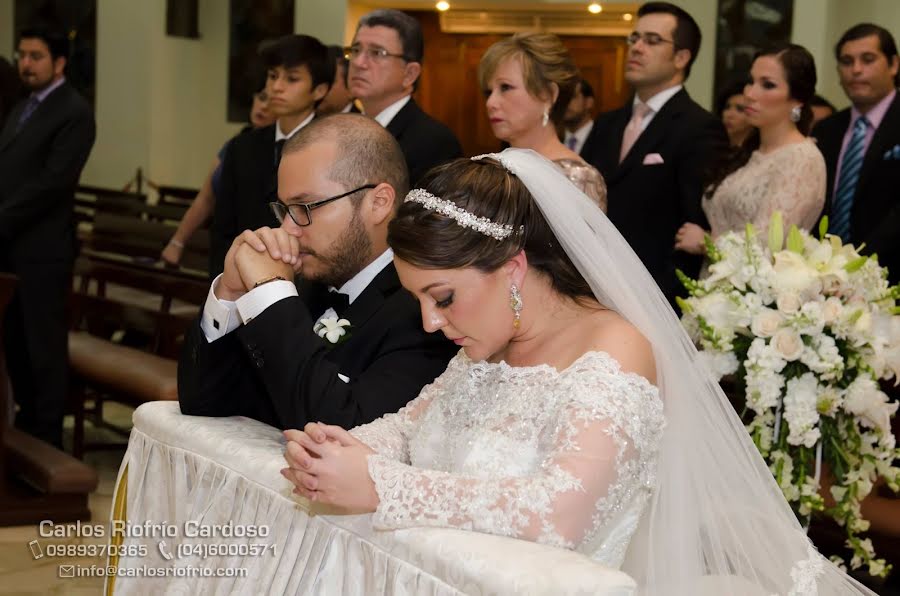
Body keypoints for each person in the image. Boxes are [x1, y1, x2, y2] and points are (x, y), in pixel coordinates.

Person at [279, 148, 875, 595]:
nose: (432, 323)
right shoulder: (483, 343)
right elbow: (410, 428)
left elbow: (558, 513)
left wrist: (381, 485)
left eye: (443, 297)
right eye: (420, 302)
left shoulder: (614, 352)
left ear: (513, 268)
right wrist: (344, 447)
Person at [178, 113, 456, 430]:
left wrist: (272, 294)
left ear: (378, 202)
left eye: (306, 207)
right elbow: (204, 402)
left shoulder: (425, 311)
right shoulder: (306, 282)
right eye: (283, 209)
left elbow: (345, 430)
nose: (287, 228)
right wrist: (230, 293)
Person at [580, 2, 728, 305]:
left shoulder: (700, 127)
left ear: (681, 57)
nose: (637, 48)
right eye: (634, 38)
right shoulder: (606, 123)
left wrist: (662, 299)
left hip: (656, 296)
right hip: (593, 286)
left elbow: (693, 225)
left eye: (652, 40)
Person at [0, 26, 95, 447]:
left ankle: (46, 441)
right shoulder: (24, 106)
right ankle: (25, 433)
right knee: (15, 342)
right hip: (10, 246)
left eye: (35, 55)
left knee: (42, 347)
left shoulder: (73, 111)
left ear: (59, 63)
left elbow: (52, 183)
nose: (25, 63)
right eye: (22, 54)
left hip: (42, 250)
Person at [675, 44, 826, 256]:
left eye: (768, 85)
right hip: (718, 280)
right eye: (751, 82)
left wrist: (705, 242)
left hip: (757, 286)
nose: (750, 93)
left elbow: (768, 245)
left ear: (797, 99)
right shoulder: (750, 151)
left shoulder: (801, 157)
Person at [209, 34, 333, 278]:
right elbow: (223, 226)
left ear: (319, 90)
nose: (276, 87)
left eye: (292, 79)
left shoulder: (332, 145)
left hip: (306, 280)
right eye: (273, 76)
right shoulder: (243, 146)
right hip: (243, 275)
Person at [812, 23, 900, 285]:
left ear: (894, 65)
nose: (856, 70)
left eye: (868, 59)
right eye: (847, 62)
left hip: (890, 278)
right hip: (826, 282)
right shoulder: (827, 129)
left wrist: (858, 260)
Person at [480, 34, 607, 210]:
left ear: (548, 95)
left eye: (505, 87)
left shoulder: (577, 177)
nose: (490, 103)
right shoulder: (489, 168)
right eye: (489, 92)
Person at [161, 87, 275, 266]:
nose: (264, 107)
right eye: (261, 98)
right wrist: (177, 242)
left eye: (272, 101)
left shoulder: (280, 149)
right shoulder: (235, 144)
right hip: (224, 243)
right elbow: (205, 198)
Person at [346, 9, 462, 185]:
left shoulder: (434, 143)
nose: (358, 62)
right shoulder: (344, 129)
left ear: (410, 74)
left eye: (377, 53)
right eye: (356, 49)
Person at [317, 45, 355, 116]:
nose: (319, 88)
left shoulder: (364, 125)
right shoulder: (304, 123)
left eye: (329, 80)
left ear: (351, 89)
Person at [562, 78, 596, 155]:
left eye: (573, 96)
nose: (566, 102)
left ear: (589, 102)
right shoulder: (553, 139)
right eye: (563, 98)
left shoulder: (605, 138)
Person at [716, 78, 752, 147]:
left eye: (740, 109)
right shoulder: (714, 147)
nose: (729, 115)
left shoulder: (758, 154)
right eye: (727, 107)